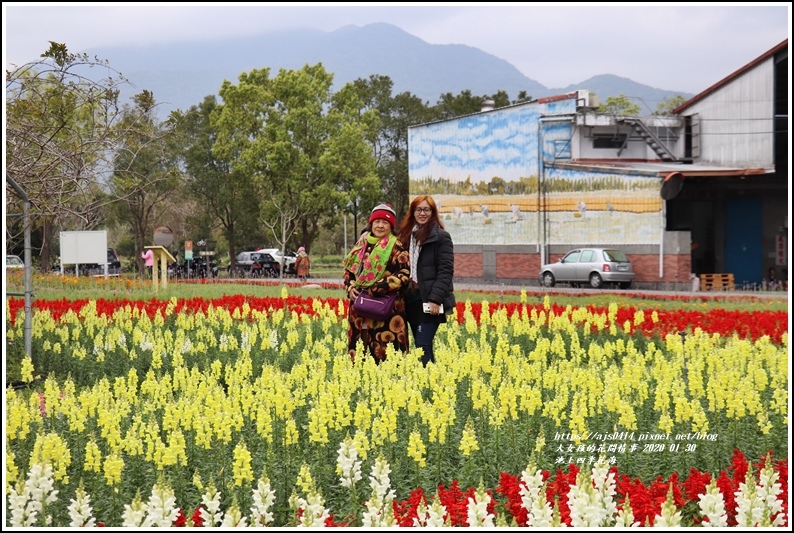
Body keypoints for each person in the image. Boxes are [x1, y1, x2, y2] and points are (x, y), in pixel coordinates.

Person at [342, 203, 410, 364]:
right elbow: (349, 271)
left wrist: (377, 287)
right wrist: (350, 287)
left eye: (385, 222)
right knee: (360, 352)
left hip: (386, 308)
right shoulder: (362, 245)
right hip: (360, 307)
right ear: (371, 223)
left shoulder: (396, 246)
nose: (380, 225)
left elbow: (403, 274)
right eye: (377, 221)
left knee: (388, 355)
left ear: (391, 225)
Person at [397, 195, 456, 366]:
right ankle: (431, 381)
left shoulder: (441, 237)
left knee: (422, 345)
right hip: (410, 299)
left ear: (432, 212)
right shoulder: (406, 236)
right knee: (422, 345)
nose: (422, 213)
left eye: (426, 209)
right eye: (419, 209)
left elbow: (446, 271)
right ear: (413, 212)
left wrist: (435, 300)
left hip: (429, 300)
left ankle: (426, 383)